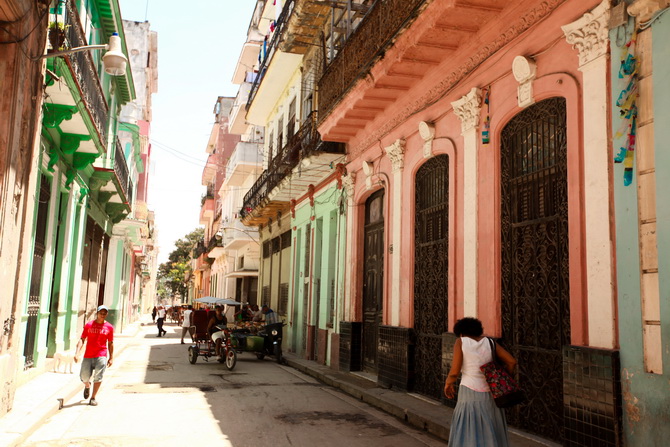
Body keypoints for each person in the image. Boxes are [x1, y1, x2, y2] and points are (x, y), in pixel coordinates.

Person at [444, 317, 517, 447]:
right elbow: (511, 361)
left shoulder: (461, 342)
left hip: (469, 391)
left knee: (469, 426)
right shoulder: (490, 342)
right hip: (491, 392)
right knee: (490, 425)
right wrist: (504, 376)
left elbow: (455, 371)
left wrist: (448, 383)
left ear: (461, 332)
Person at [74, 305, 114, 406]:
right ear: (97, 313)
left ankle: (93, 397)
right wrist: (77, 352)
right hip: (88, 355)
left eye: (105, 313)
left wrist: (111, 357)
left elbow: (110, 343)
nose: (103, 315)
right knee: (84, 376)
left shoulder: (109, 327)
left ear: (107, 314)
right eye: (101, 313)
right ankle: (87, 386)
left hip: (101, 354)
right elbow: (82, 339)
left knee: (98, 376)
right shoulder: (89, 325)